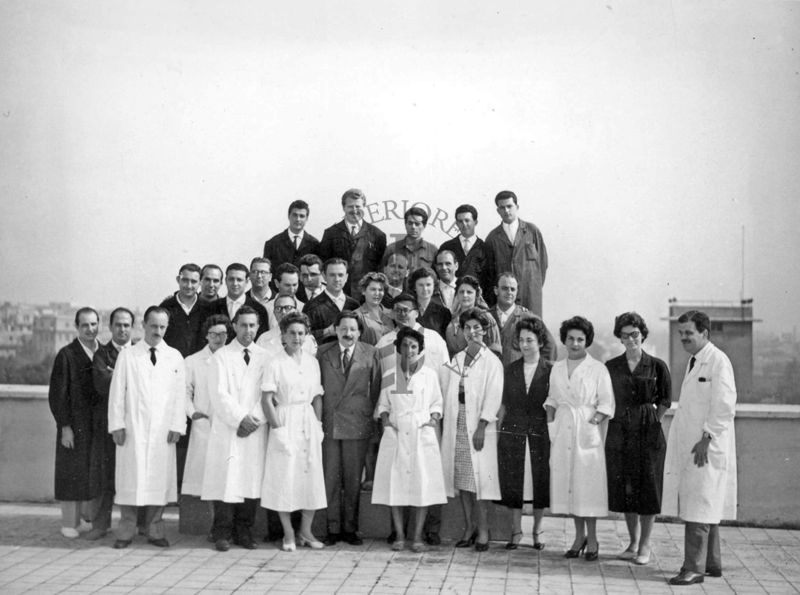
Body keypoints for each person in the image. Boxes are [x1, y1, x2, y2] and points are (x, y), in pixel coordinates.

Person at [663, 310, 737, 586]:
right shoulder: (695, 361)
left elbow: (725, 404)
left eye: (688, 333)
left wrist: (707, 437)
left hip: (706, 445)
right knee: (705, 501)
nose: (683, 338)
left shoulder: (718, 361)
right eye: (681, 333)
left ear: (704, 333)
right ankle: (711, 563)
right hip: (695, 444)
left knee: (699, 504)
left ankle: (693, 568)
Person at [108, 306, 186, 549]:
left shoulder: (174, 356)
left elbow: (180, 396)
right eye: (154, 326)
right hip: (133, 429)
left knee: (158, 481)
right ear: (144, 325)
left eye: (163, 327)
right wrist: (117, 425)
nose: (158, 331)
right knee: (131, 480)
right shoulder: (128, 356)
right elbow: (117, 393)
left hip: (163, 431)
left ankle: (155, 530)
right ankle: (126, 532)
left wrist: (177, 424)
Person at [544, 316, 614, 561]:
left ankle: (592, 538)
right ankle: (578, 536)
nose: (575, 344)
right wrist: (552, 423)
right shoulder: (557, 368)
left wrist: (591, 423)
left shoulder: (598, 369)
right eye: (571, 339)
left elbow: (606, 404)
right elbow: (552, 399)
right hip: (563, 429)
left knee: (588, 487)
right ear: (564, 340)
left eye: (580, 339)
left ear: (587, 341)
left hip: (586, 431)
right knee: (570, 486)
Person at [373, 327, 447, 553]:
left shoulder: (429, 375)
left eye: (413, 346)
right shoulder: (390, 376)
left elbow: (437, 403)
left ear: (420, 349)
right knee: (396, 486)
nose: (409, 350)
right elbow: (383, 405)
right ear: (398, 348)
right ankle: (400, 536)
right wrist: (386, 421)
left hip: (420, 434)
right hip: (396, 433)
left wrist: (432, 420)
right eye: (404, 346)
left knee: (421, 485)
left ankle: (417, 537)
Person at [605, 312, 671, 565]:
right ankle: (632, 542)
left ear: (642, 335)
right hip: (620, 432)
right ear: (619, 338)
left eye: (635, 334)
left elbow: (665, 399)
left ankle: (645, 545)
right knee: (626, 488)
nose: (630, 339)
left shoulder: (657, 365)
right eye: (625, 335)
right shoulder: (612, 366)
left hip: (648, 432)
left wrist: (652, 418)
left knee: (649, 488)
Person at [201, 307, 268, 551]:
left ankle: (244, 532)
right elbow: (218, 394)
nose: (248, 330)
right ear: (234, 325)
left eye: (252, 325)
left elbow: (268, 393)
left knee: (249, 481)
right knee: (226, 480)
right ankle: (222, 533)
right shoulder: (221, 357)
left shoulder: (265, 356)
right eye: (243, 325)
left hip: (254, 429)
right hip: (229, 428)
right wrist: (241, 419)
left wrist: (255, 419)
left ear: (258, 326)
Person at [260, 312, 326, 551]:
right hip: (285, 419)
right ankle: (288, 533)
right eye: (292, 333)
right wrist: (278, 430)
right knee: (284, 477)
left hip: (307, 421)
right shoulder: (274, 362)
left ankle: (306, 532)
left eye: (301, 333)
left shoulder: (312, 361)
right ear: (283, 336)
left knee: (311, 477)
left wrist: (318, 425)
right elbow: (267, 400)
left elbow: (317, 396)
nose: (297, 338)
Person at [440, 308, 503, 551]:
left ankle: (484, 531)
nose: (472, 332)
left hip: (479, 427)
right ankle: (468, 527)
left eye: (477, 328)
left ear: (485, 331)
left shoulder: (492, 362)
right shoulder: (456, 359)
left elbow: (493, 397)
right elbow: (448, 392)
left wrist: (482, 425)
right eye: (468, 328)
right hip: (458, 426)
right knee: (464, 481)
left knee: (481, 483)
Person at [317, 311, 381, 546]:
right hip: (331, 424)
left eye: (353, 329)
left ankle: (350, 528)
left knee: (353, 479)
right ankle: (332, 528)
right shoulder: (323, 353)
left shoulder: (370, 353)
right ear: (335, 330)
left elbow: (374, 388)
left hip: (357, 423)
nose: (348, 333)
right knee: (331, 478)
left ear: (360, 332)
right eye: (343, 328)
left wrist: (368, 418)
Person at [497, 318, 551, 551]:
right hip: (514, 431)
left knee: (540, 481)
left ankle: (537, 531)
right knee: (514, 481)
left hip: (540, 432)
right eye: (521, 340)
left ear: (539, 342)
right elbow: (504, 404)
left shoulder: (551, 370)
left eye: (530, 340)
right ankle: (516, 531)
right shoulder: (510, 370)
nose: (526, 344)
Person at [49, 307, 100, 539]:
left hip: (95, 426)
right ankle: (69, 522)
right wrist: (65, 427)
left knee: (89, 472)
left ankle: (85, 519)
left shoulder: (102, 352)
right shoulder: (67, 354)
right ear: (76, 327)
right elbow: (58, 395)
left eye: (93, 324)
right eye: (85, 325)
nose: (90, 329)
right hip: (73, 425)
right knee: (71, 472)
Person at [87, 307, 136, 541]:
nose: (122, 329)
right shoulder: (101, 355)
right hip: (107, 426)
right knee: (105, 476)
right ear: (110, 327)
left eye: (127, 325)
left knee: (135, 475)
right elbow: (101, 384)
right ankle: (100, 524)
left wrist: (115, 374)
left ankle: (141, 525)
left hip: (135, 426)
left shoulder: (140, 353)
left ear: (133, 327)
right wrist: (124, 378)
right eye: (118, 325)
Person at [181, 314, 231, 498]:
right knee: (201, 476)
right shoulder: (193, 361)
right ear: (206, 336)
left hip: (227, 422)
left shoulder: (233, 359)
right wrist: (192, 413)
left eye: (223, 334)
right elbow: (184, 392)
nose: (218, 338)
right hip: (204, 422)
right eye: (214, 334)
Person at [484, 190, 548, 315]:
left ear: (517, 207)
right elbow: (489, 274)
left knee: (532, 330)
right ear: (498, 211)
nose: (506, 211)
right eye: (502, 207)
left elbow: (543, 264)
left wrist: (532, 288)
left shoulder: (532, 231)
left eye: (509, 206)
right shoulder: (492, 238)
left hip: (530, 296)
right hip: (505, 300)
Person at [319, 188, 387, 300]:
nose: (354, 210)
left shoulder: (378, 235)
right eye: (350, 206)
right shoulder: (331, 233)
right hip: (338, 296)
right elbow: (324, 267)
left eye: (358, 206)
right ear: (343, 208)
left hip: (366, 297)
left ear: (364, 207)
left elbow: (380, 270)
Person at [489, 272, 556, 365]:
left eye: (512, 289)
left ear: (517, 292)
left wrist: (540, 371)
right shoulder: (486, 317)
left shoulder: (527, 317)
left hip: (517, 376)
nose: (509, 292)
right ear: (496, 290)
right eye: (505, 288)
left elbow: (550, 345)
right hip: (491, 376)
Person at [160, 263, 211, 358]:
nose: (189, 285)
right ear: (178, 279)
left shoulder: (208, 309)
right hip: (172, 365)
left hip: (200, 366)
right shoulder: (165, 308)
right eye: (185, 280)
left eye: (193, 281)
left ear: (200, 282)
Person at [304, 257, 359, 345]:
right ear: (324, 276)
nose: (337, 279)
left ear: (346, 277)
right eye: (332, 275)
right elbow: (303, 337)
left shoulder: (354, 305)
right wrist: (326, 331)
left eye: (340, 275)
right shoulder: (312, 306)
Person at [438, 204, 490, 296]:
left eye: (467, 220)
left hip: (477, 301)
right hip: (450, 299)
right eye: (460, 221)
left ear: (475, 222)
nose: (464, 224)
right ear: (456, 223)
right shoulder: (447, 247)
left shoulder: (486, 248)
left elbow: (490, 279)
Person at [444, 275, 501, 357]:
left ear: (476, 294)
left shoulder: (485, 317)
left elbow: (494, 350)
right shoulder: (452, 318)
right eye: (461, 292)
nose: (465, 295)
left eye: (469, 292)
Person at [211, 262, 269, 340]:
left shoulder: (259, 309)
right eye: (231, 279)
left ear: (247, 281)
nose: (235, 283)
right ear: (225, 280)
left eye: (239, 280)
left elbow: (262, 339)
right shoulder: (212, 307)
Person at [262, 199, 321, 269]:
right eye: (295, 215)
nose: (298, 219)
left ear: (307, 218)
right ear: (288, 216)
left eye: (302, 216)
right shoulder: (272, 244)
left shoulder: (315, 244)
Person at [382, 206, 439, 273]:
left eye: (417, 224)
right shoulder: (392, 249)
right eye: (410, 223)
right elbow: (383, 273)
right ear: (405, 224)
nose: (413, 227)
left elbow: (436, 277)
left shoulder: (432, 250)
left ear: (424, 226)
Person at [355, 272, 394, 346]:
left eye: (380, 290)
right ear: (363, 291)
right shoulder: (356, 316)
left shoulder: (390, 315)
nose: (377, 293)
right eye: (373, 289)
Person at [410, 267, 451, 337]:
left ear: (434, 286)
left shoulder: (444, 313)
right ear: (414, 287)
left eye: (428, 285)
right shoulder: (407, 308)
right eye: (420, 285)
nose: (425, 289)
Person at [266, 262, 304, 330]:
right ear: (277, 283)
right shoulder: (266, 309)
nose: (292, 290)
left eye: (295, 285)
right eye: (287, 285)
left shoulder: (304, 308)